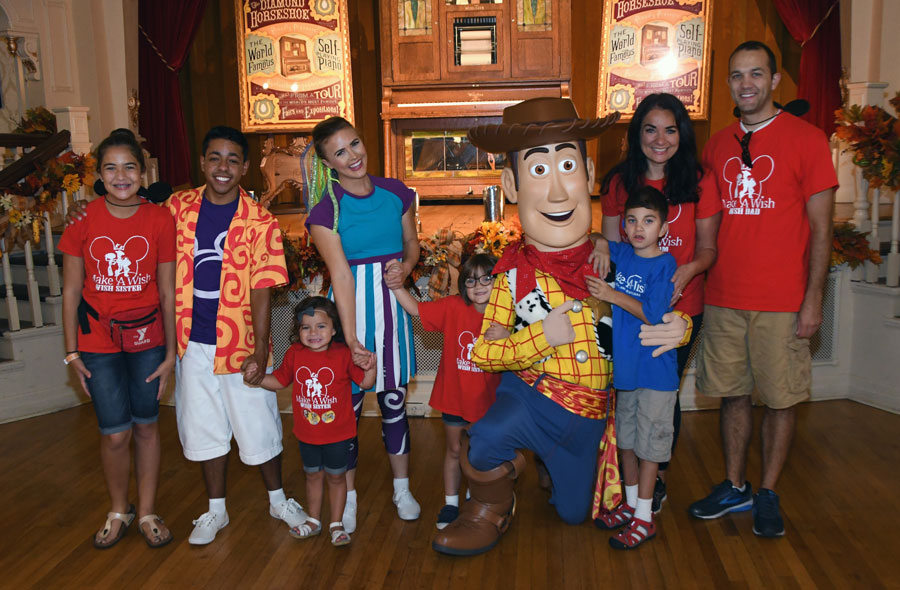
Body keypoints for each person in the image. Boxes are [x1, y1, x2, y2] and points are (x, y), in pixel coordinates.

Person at [432, 97, 691, 556]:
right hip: (532, 402)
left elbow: (654, 304)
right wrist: (538, 336)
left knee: (573, 513)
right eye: (537, 171)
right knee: (486, 438)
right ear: (511, 184)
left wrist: (680, 326)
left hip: (592, 417)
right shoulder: (511, 274)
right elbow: (482, 353)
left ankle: (556, 470)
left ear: (589, 174)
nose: (556, 193)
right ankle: (490, 507)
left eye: (567, 165)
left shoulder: (614, 260)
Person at [689, 41, 837, 538]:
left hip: (783, 301)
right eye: (736, 75)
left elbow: (822, 230)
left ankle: (768, 491)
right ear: (728, 82)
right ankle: (735, 485)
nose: (746, 84)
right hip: (725, 296)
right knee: (731, 397)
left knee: (780, 400)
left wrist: (813, 299)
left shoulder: (808, 140)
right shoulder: (717, 144)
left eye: (756, 74)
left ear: (775, 81)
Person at [599, 92, 721, 513]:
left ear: (681, 134)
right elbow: (609, 247)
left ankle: (658, 483)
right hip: (629, 312)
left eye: (670, 129)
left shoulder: (699, 180)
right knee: (631, 394)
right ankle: (634, 491)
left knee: (663, 392)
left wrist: (684, 273)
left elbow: (707, 250)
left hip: (682, 309)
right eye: (650, 128)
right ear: (637, 134)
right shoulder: (619, 182)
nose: (660, 139)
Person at [60, 128, 176, 549]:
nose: (121, 175)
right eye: (111, 167)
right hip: (96, 342)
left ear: (142, 174)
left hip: (148, 340)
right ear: (100, 175)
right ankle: (117, 509)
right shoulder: (83, 219)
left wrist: (171, 352)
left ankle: (146, 512)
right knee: (114, 433)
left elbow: (167, 290)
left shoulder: (160, 219)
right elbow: (71, 290)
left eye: (129, 167)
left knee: (146, 427)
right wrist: (71, 352)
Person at [305, 117, 421, 532]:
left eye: (354, 143)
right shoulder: (324, 211)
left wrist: (406, 267)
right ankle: (348, 497)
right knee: (346, 412)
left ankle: (402, 488)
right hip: (351, 313)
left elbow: (411, 243)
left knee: (394, 404)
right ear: (327, 162)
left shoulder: (395, 192)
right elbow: (340, 275)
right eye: (340, 152)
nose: (353, 156)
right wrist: (350, 338)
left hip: (392, 311)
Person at [587, 186, 678, 549]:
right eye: (632, 220)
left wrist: (611, 295)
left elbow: (654, 315)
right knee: (625, 441)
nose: (640, 227)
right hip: (624, 373)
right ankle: (628, 506)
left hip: (655, 374)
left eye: (649, 221)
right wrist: (602, 244)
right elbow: (593, 233)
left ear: (663, 229)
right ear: (624, 226)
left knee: (649, 448)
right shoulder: (621, 253)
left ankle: (645, 516)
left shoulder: (664, 263)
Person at [245, 297, 376, 546]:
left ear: (335, 328)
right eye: (306, 327)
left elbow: (366, 383)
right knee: (313, 477)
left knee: (337, 478)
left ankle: (336, 524)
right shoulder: (295, 353)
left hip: (339, 435)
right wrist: (257, 378)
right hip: (306, 435)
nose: (313, 332)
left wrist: (370, 367)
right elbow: (280, 381)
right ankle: (314, 520)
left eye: (321, 326)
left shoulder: (344, 354)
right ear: (298, 331)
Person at [390, 253, 504, 530]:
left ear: (498, 281)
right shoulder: (453, 307)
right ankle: (451, 504)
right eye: (470, 281)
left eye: (486, 279)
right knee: (454, 450)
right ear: (463, 285)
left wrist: (507, 336)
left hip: (491, 401)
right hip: (455, 395)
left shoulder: (506, 315)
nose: (478, 286)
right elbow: (417, 310)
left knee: (481, 453)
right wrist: (396, 287)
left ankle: (478, 499)